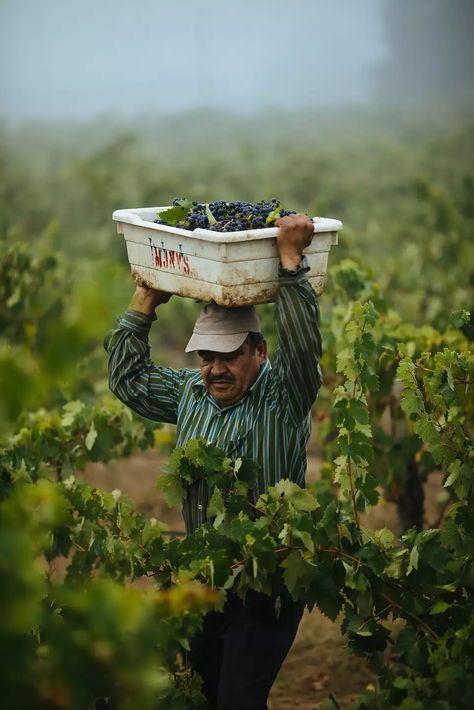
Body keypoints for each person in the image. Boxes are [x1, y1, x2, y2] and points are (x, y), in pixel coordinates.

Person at [104, 214, 323, 709]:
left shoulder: (282, 396)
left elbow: (304, 346)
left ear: (260, 353)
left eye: (228, 356)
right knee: (201, 696)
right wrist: (146, 299)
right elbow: (127, 379)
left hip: (268, 582)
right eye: (205, 356)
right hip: (208, 581)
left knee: (239, 700)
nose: (215, 369)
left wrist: (291, 265)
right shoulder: (189, 393)